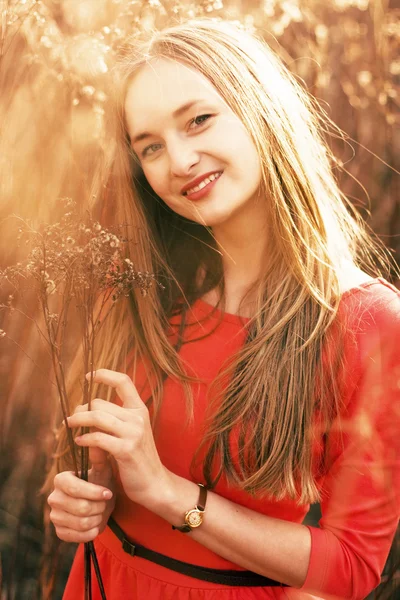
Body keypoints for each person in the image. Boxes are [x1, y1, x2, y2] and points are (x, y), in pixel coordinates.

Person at [47, 19, 400, 600]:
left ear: (260, 108)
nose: (180, 160)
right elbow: (102, 464)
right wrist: (93, 492)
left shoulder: (369, 324)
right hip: (101, 583)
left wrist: (167, 493)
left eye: (199, 120)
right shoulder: (137, 286)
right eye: (151, 147)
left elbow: (352, 566)